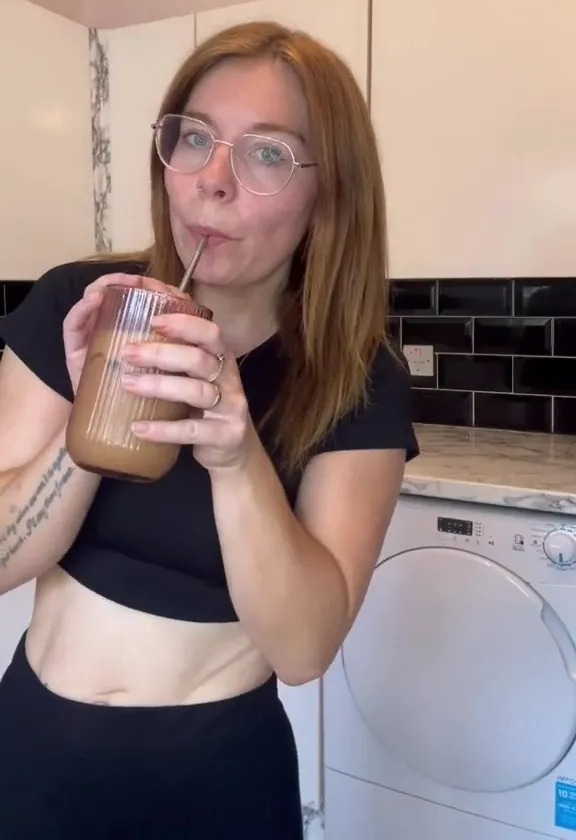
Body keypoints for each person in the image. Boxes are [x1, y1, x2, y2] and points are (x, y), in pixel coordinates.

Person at [0, 20, 418, 839]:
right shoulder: (76, 303)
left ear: (328, 192)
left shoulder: (355, 379)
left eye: (267, 152)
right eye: (195, 138)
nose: (211, 181)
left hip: (215, 779)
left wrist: (236, 455)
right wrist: (95, 410)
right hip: (31, 750)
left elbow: (303, 649)